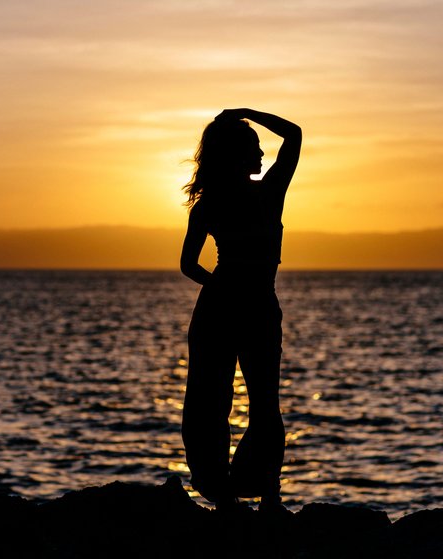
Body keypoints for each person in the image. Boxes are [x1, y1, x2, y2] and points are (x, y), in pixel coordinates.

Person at [179, 108, 301, 512]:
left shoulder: (213, 203)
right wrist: (246, 112)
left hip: (231, 302)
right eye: (254, 147)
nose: (263, 153)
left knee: (224, 403)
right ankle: (257, 497)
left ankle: (246, 496)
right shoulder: (268, 193)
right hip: (251, 305)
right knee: (236, 402)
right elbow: (294, 134)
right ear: (236, 155)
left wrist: (219, 286)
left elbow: (189, 265)